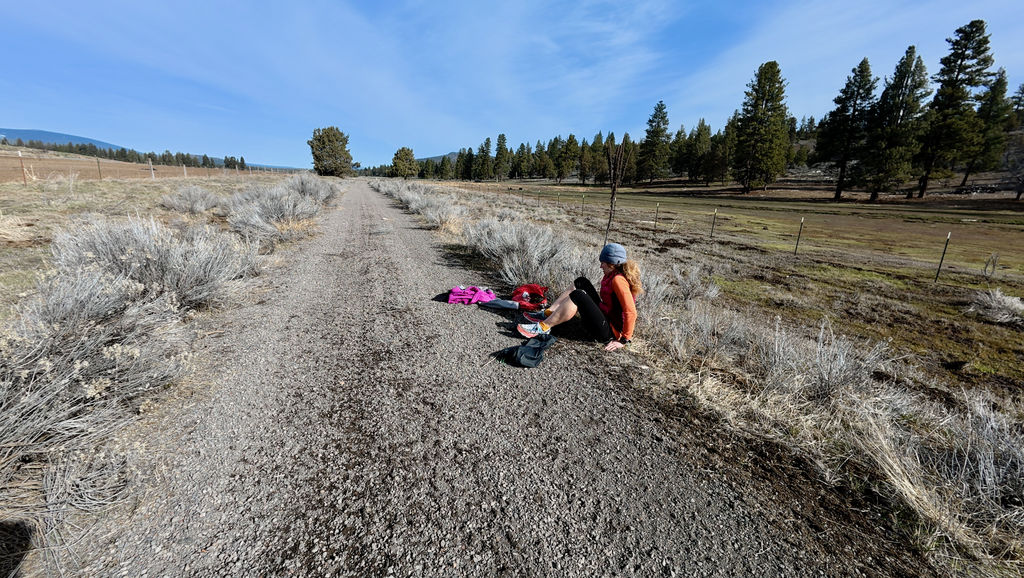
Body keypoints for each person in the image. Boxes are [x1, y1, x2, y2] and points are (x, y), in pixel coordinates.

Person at [517, 243, 642, 352]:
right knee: (581, 282)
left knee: (578, 295)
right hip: (606, 318)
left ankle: (543, 327)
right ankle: (549, 313)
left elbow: (631, 311)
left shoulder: (618, 280)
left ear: (612, 264)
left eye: (602, 263)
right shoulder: (613, 275)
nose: (600, 267)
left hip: (610, 332)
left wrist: (624, 340)